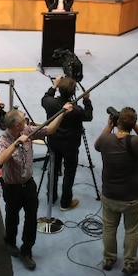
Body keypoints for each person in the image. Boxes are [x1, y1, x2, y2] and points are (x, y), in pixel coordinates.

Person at [0, 105, 73, 271]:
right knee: (12, 217)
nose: (27, 121)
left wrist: (63, 113)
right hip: (12, 187)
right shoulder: (3, 141)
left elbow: (50, 129)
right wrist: (16, 143)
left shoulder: (28, 130)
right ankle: (10, 241)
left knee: (31, 219)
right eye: (24, 120)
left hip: (29, 185)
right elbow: (0, 160)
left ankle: (27, 251)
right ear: (17, 126)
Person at [94, 106, 138, 276]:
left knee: (109, 227)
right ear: (133, 123)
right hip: (131, 197)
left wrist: (110, 125)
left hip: (109, 194)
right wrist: (134, 125)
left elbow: (98, 144)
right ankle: (129, 263)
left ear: (117, 122)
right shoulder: (136, 142)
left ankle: (109, 258)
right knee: (132, 229)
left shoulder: (106, 140)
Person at [41, 75, 93, 210]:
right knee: (69, 173)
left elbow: (45, 98)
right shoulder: (76, 110)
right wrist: (87, 100)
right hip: (71, 145)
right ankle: (65, 202)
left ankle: (51, 197)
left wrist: (53, 86)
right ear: (73, 92)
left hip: (53, 142)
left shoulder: (50, 103)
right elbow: (88, 116)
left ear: (59, 89)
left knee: (52, 170)